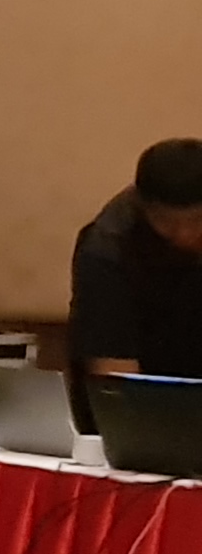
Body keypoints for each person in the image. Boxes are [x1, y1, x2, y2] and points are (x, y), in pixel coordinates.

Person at [67, 138, 202, 416]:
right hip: (138, 406)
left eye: (198, 220)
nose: (184, 234)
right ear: (142, 205)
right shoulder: (108, 249)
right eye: (166, 222)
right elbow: (115, 379)